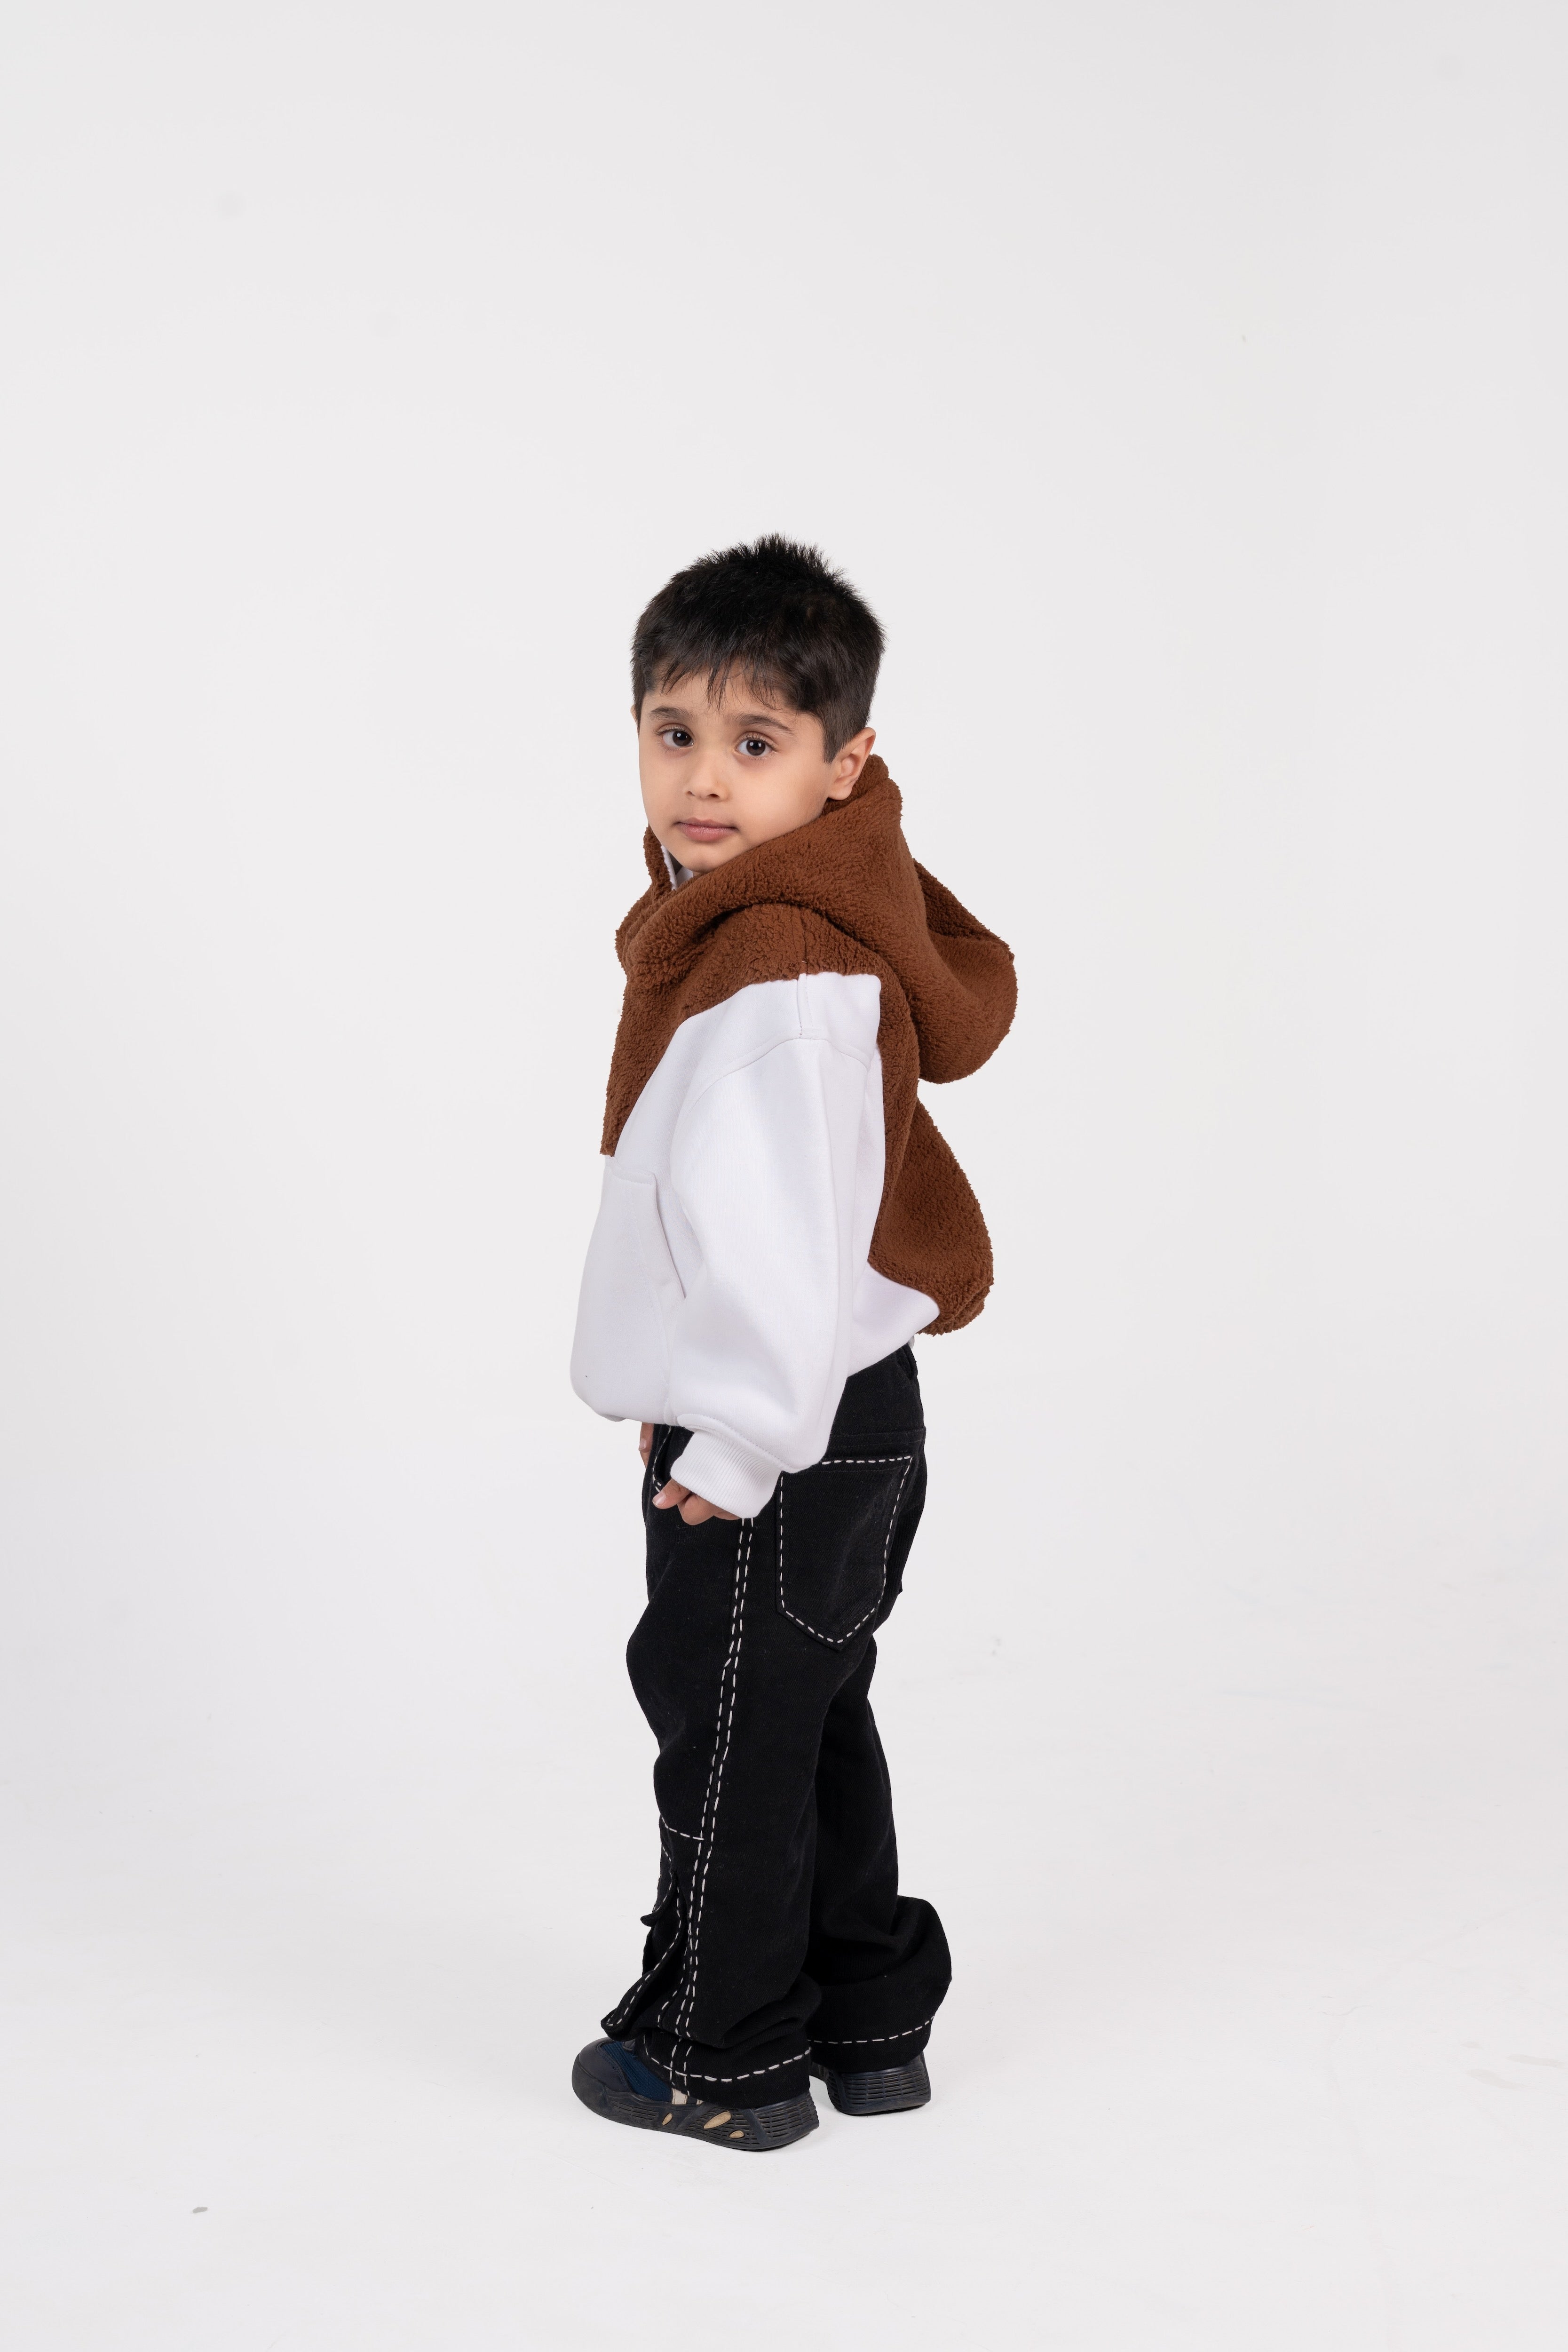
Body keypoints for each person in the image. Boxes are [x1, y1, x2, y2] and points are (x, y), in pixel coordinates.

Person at [568, 537, 1015, 2152]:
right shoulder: (794, 920)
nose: (705, 779)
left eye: (758, 745)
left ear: (847, 764)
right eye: (674, 731)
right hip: (845, 1413)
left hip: (786, 1432)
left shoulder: (776, 960)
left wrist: (733, 1438)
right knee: (810, 1712)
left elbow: (780, 1246)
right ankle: (868, 2014)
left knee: (726, 1727)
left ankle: (722, 2053)